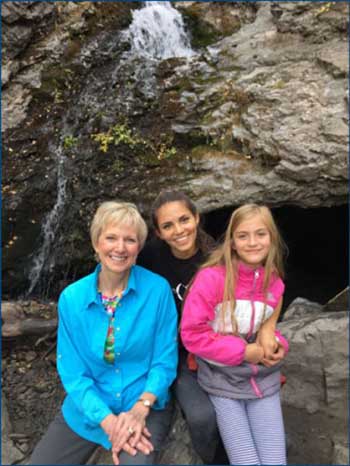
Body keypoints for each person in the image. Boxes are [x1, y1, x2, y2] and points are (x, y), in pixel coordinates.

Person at [138, 192, 285, 464]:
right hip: (174, 349)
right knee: (202, 415)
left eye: (184, 219)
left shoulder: (216, 259)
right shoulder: (148, 258)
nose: (179, 230)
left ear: (197, 218)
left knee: (213, 415)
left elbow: (270, 292)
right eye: (168, 225)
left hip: (210, 352)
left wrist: (269, 330)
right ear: (157, 232)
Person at [30, 201, 178, 465]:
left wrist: (140, 408)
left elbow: (164, 362)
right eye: (111, 238)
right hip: (89, 410)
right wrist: (109, 422)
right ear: (96, 243)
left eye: (129, 240)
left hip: (143, 406)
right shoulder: (72, 299)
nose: (120, 248)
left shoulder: (158, 291)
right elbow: (74, 374)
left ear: (139, 247)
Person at [181, 203, 289, 465]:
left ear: (272, 239)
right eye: (243, 236)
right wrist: (243, 352)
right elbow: (192, 334)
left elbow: (267, 326)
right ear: (231, 242)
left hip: (262, 380)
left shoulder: (274, 282)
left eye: (261, 234)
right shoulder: (212, 279)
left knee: (275, 462)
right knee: (247, 462)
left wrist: (277, 345)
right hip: (222, 380)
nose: (252, 242)